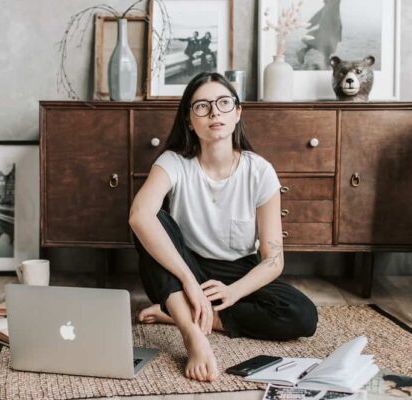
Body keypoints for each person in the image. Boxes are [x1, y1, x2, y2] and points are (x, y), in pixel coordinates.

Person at [128, 72, 318, 383]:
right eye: (202, 106)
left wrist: (233, 292)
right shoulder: (174, 162)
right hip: (185, 266)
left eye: (223, 103)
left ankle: (179, 312)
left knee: (301, 314)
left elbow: (273, 259)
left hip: (236, 272)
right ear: (190, 120)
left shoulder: (260, 171)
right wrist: (189, 281)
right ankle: (192, 333)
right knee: (150, 223)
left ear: (237, 112)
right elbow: (139, 216)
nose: (214, 112)